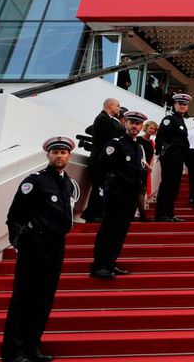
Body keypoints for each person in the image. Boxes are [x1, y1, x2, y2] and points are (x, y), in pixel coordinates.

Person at [1, 136, 76, 362]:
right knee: (24, 300)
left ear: (69, 156)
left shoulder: (67, 183)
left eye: (63, 152)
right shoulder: (35, 181)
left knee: (44, 300)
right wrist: (22, 242)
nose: (59, 155)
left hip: (56, 247)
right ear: (48, 155)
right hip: (35, 247)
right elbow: (14, 216)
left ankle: (33, 347)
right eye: (55, 152)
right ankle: (14, 352)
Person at [90, 111, 148, 278]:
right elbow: (101, 167)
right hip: (115, 194)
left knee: (120, 231)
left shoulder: (138, 146)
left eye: (138, 124)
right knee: (108, 230)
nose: (134, 126)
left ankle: (111, 263)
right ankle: (99, 265)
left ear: (141, 126)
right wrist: (106, 188)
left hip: (129, 196)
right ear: (125, 123)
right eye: (131, 122)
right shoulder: (115, 144)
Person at [81, 98, 124, 223]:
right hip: (99, 162)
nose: (119, 108)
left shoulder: (105, 119)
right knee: (99, 189)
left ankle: (95, 214)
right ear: (110, 106)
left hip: (101, 161)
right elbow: (109, 138)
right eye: (118, 106)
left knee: (100, 188)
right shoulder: (103, 119)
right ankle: (93, 215)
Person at [155, 93, 191, 222]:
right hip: (170, 157)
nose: (182, 106)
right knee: (167, 185)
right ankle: (161, 214)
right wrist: (161, 152)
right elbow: (161, 137)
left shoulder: (181, 120)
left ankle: (169, 214)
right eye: (180, 104)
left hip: (178, 158)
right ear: (175, 105)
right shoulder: (169, 119)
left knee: (174, 186)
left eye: (185, 104)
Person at [136, 120, 158, 222]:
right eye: (151, 128)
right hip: (138, 167)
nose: (152, 130)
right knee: (138, 191)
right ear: (146, 128)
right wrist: (145, 164)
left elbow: (152, 156)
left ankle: (141, 214)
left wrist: (149, 167)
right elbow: (138, 154)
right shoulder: (139, 139)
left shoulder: (152, 142)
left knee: (142, 190)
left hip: (146, 169)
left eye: (154, 129)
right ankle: (142, 215)